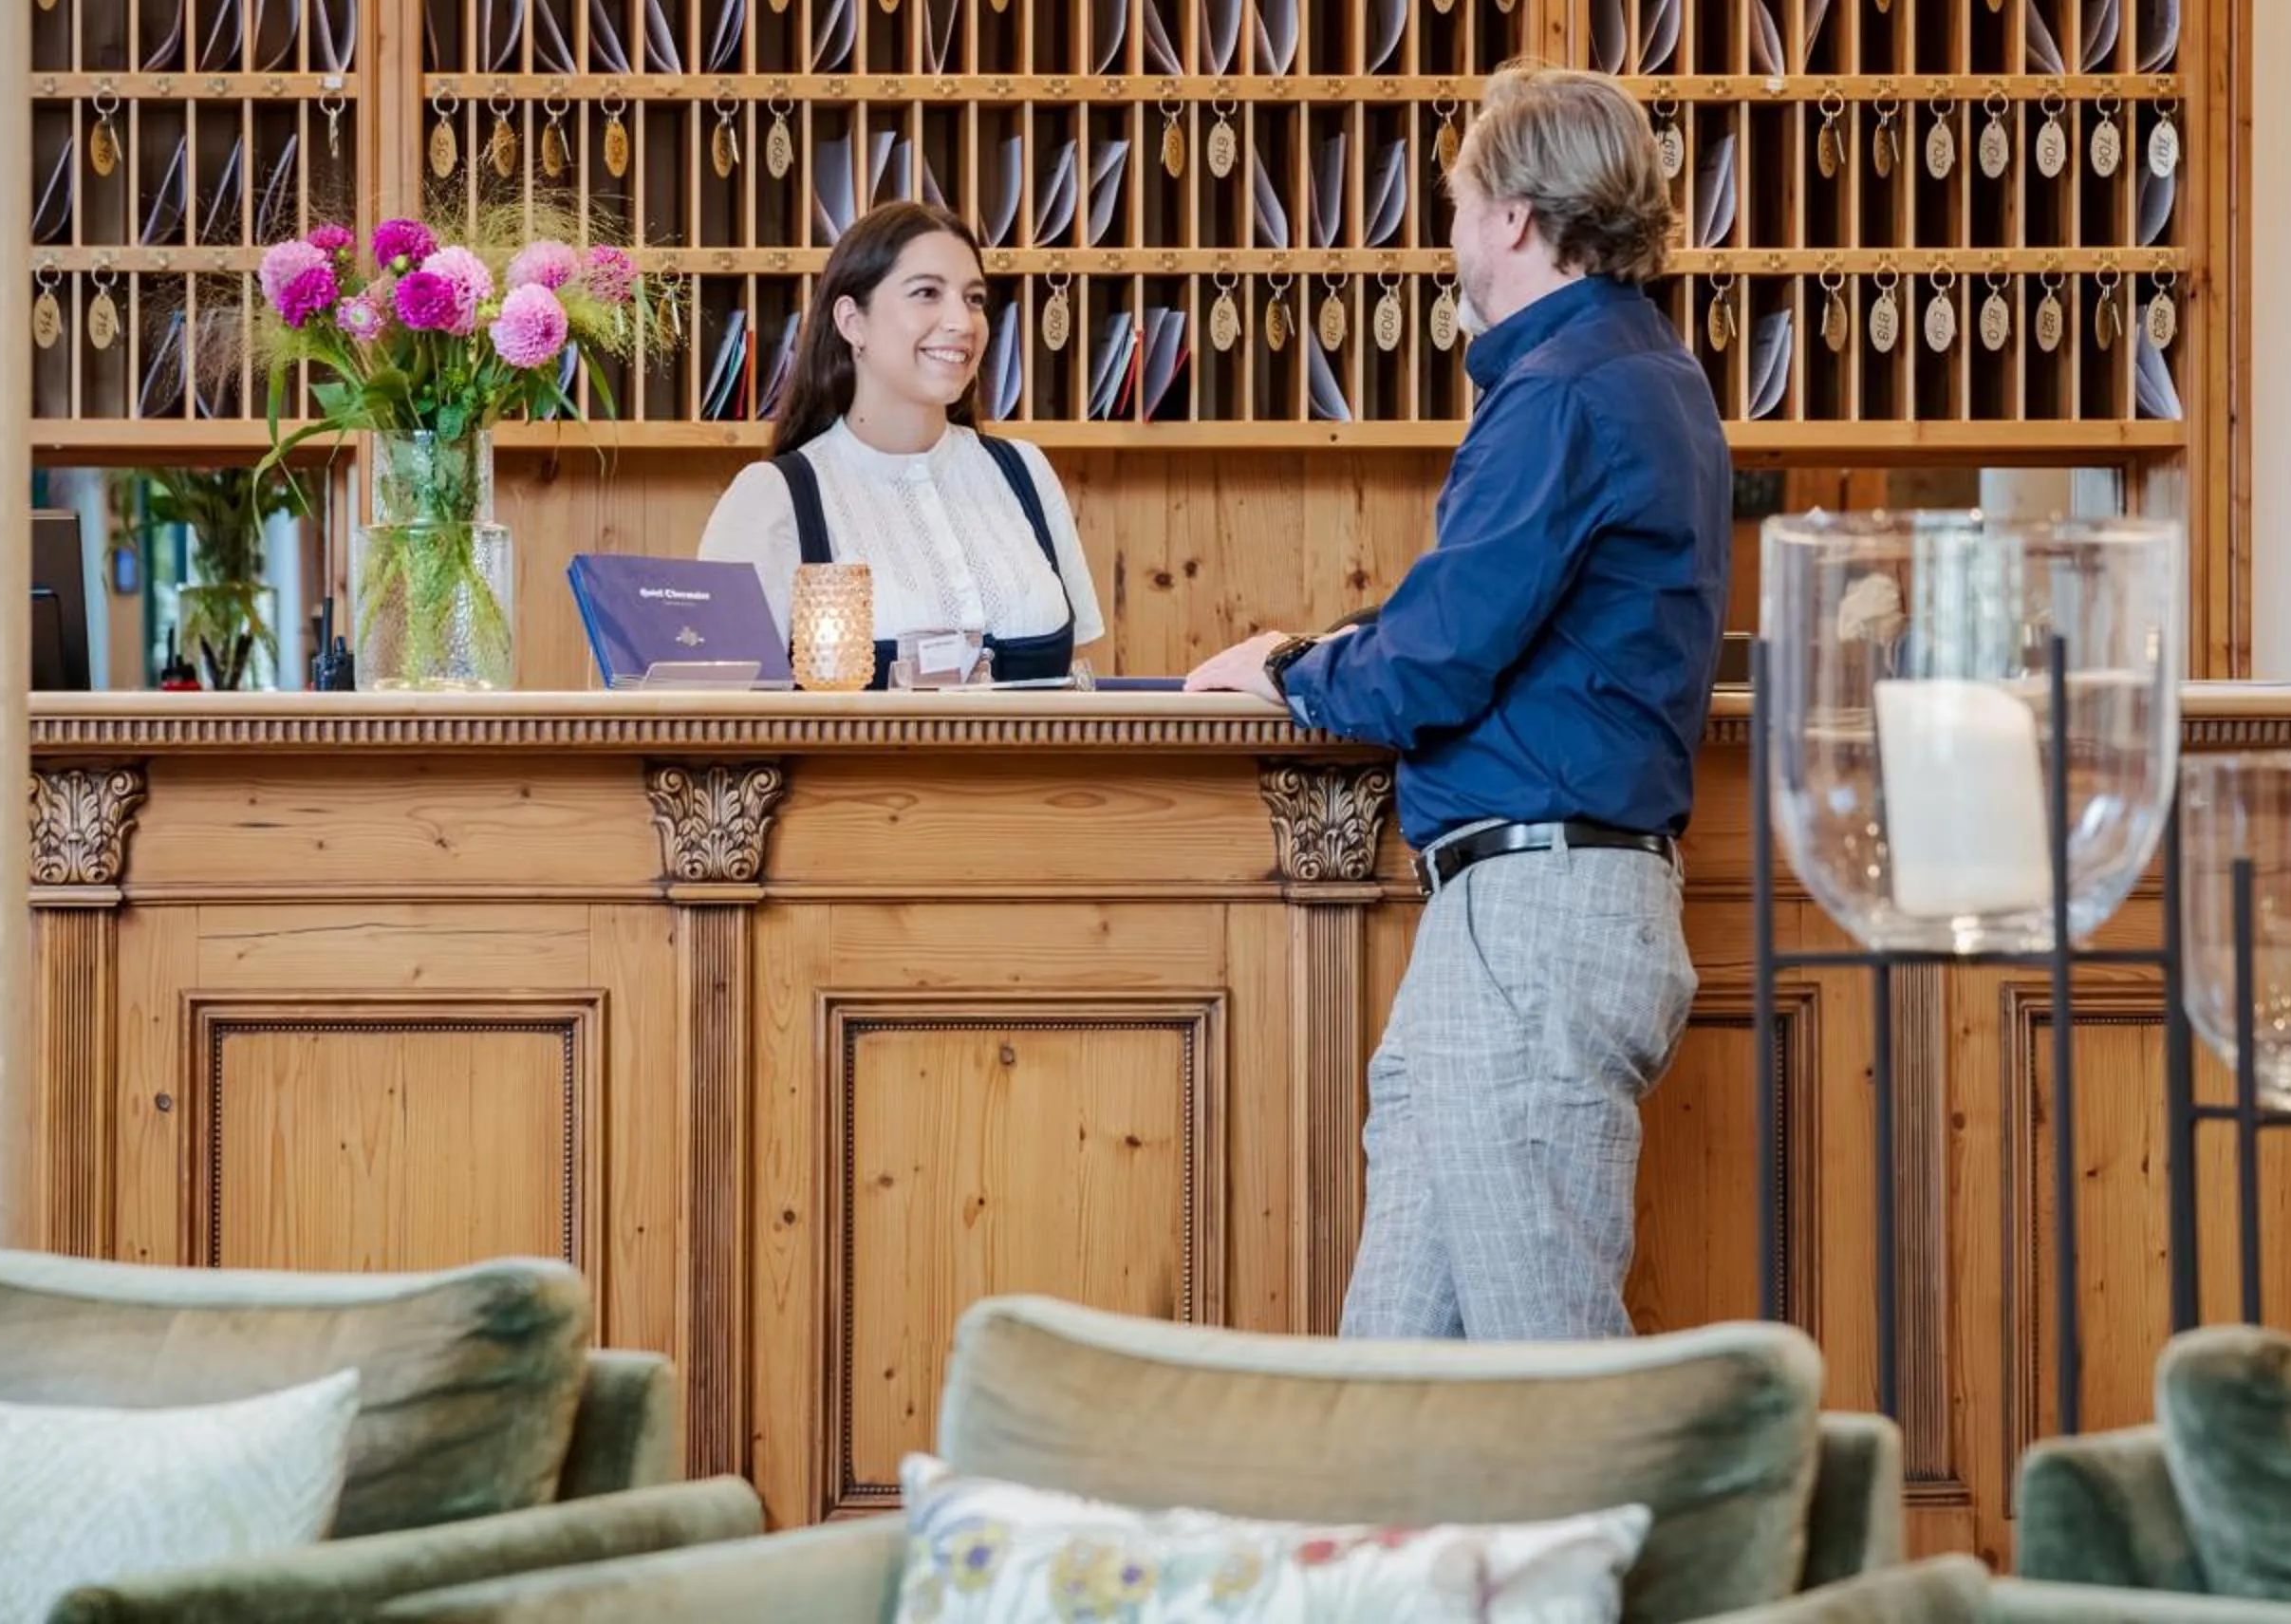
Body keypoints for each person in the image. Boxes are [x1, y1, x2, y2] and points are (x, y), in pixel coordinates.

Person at [1185, 65, 1733, 1339]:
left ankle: (1649, 1553)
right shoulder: (1645, 371)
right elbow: (1484, 619)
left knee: (1551, 1363)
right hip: (1522, 918)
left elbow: (1428, 668)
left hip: (1533, 923)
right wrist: (1326, 652)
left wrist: (1287, 672)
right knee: (1401, 1368)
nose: (1449, 234)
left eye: (1457, 201)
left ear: (1516, 220)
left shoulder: (1562, 391)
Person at [700, 201, 1104, 686]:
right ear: (853, 322)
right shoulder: (773, 497)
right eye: (927, 293)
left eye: (974, 299)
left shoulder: (1025, 471)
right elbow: (722, 715)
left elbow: (1080, 687)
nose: (962, 321)